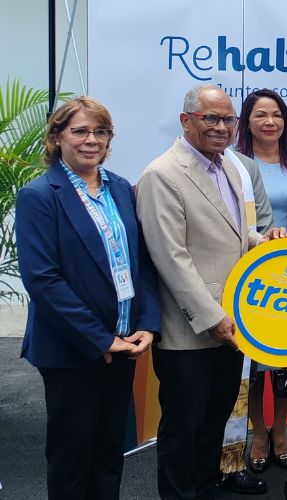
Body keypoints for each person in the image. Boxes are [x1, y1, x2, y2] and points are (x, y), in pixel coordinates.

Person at [136, 84, 286, 500]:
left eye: (228, 119)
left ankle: (205, 490)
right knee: (184, 428)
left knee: (213, 423)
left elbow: (235, 233)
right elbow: (170, 257)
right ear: (186, 121)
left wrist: (262, 241)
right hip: (191, 331)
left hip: (233, 324)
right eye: (211, 118)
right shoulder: (162, 174)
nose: (222, 127)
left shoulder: (229, 168)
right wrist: (214, 318)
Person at [16, 96, 160, 500]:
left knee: (110, 453)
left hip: (124, 344)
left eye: (100, 132)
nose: (91, 140)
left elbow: (142, 263)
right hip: (72, 351)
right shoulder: (40, 195)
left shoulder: (120, 188)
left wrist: (147, 323)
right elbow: (42, 280)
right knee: (73, 459)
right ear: (56, 137)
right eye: (80, 131)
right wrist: (100, 339)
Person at [235, 88, 287, 473]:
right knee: (253, 359)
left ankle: (280, 429)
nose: (270, 121)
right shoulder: (234, 164)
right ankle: (257, 432)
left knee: (286, 359)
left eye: (276, 114)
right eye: (261, 114)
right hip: (253, 273)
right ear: (247, 121)